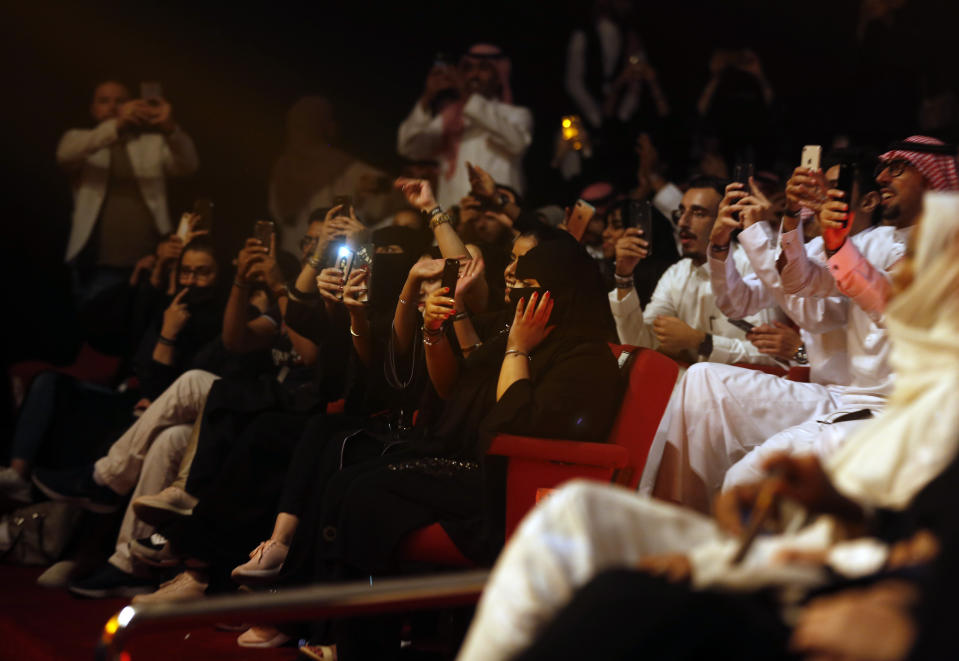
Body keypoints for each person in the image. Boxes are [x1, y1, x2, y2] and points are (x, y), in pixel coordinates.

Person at [455, 191, 959, 661]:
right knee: (579, 509)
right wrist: (836, 508)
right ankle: (690, 526)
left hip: (847, 587)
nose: (905, 275)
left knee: (618, 594)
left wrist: (909, 622)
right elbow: (784, 302)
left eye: (924, 265)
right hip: (831, 551)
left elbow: (798, 319)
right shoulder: (684, 272)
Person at [610, 175, 781, 366]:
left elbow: (773, 356)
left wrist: (701, 341)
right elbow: (640, 344)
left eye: (698, 213)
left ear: (727, 219)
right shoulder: (676, 274)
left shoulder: (753, 265)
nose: (682, 222)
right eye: (681, 213)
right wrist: (624, 277)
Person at [58, 80, 198, 305]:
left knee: (146, 331)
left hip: (150, 260)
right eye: (104, 101)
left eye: (120, 101)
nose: (112, 107)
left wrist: (170, 127)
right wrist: (118, 125)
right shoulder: (79, 140)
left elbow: (188, 165)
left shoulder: (151, 143)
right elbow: (65, 155)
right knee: (96, 330)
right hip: (96, 265)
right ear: (93, 109)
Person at [397, 44, 533, 209]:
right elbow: (410, 148)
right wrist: (428, 96)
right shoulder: (449, 116)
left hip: (499, 217)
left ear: (498, 77)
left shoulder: (515, 114)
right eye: (468, 68)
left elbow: (517, 144)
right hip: (455, 217)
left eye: (483, 68)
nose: (474, 75)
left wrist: (465, 94)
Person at [269, 97, 392, 256]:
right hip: (295, 252)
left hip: (336, 253)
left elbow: (384, 193)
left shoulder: (345, 166)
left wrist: (372, 190)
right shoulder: (285, 166)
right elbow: (281, 213)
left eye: (309, 122)